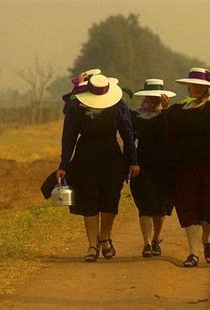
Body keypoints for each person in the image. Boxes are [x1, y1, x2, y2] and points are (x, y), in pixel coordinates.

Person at [56, 69, 139, 262]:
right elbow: (68, 137)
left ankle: (104, 238)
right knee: (89, 201)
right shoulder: (77, 107)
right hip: (86, 157)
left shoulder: (118, 106)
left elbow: (128, 134)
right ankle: (92, 245)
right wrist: (64, 164)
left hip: (112, 158)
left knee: (110, 201)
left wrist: (133, 161)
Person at [169, 68, 210, 267]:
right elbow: (170, 135)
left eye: (200, 86)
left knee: (208, 207)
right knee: (188, 205)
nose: (196, 88)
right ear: (188, 86)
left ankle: (206, 239)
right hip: (184, 163)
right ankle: (193, 252)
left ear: (206, 88)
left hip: (209, 162)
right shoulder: (178, 109)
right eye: (193, 85)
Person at [130, 79, 177, 258]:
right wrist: (131, 161)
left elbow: (169, 133)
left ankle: (156, 239)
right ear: (145, 96)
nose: (154, 99)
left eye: (157, 97)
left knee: (160, 205)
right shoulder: (136, 115)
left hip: (164, 165)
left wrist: (165, 111)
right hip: (142, 163)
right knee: (144, 204)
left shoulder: (169, 114)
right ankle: (147, 242)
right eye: (151, 96)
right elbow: (130, 139)